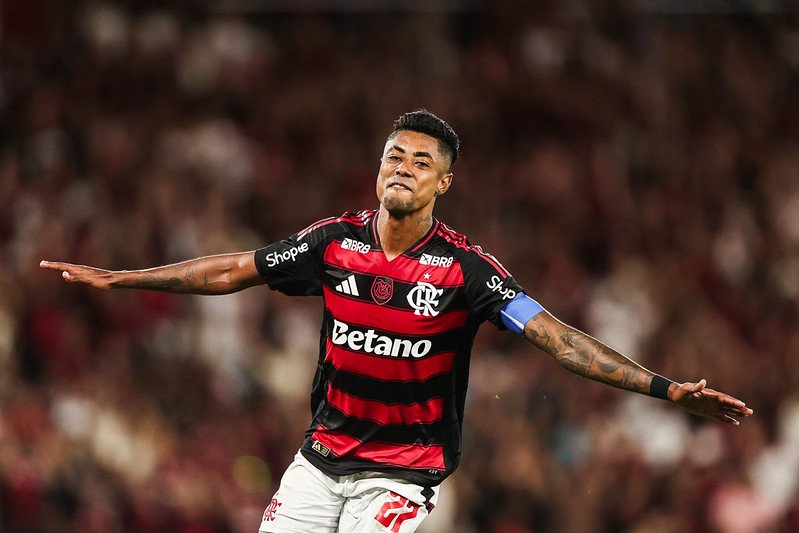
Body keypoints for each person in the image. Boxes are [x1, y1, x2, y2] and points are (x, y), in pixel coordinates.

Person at [40, 110, 753, 533]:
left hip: (397, 478)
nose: (401, 167)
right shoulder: (333, 241)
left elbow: (556, 337)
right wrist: (125, 277)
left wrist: (663, 389)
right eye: (392, 155)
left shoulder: (468, 270)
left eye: (420, 161)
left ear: (444, 182)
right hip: (318, 463)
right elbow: (235, 268)